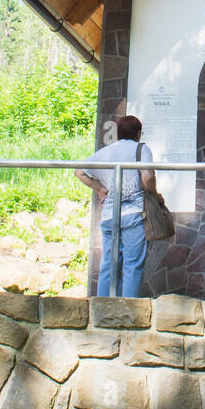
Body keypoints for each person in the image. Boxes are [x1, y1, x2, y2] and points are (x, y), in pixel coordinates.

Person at [75, 115, 158, 297]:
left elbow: (79, 172)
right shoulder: (141, 149)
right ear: (138, 133)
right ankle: (129, 311)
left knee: (109, 264)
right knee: (132, 265)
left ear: (118, 133)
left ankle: (102, 309)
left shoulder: (105, 152)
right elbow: (148, 177)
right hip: (133, 213)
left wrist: (100, 189)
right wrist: (154, 194)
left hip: (109, 215)